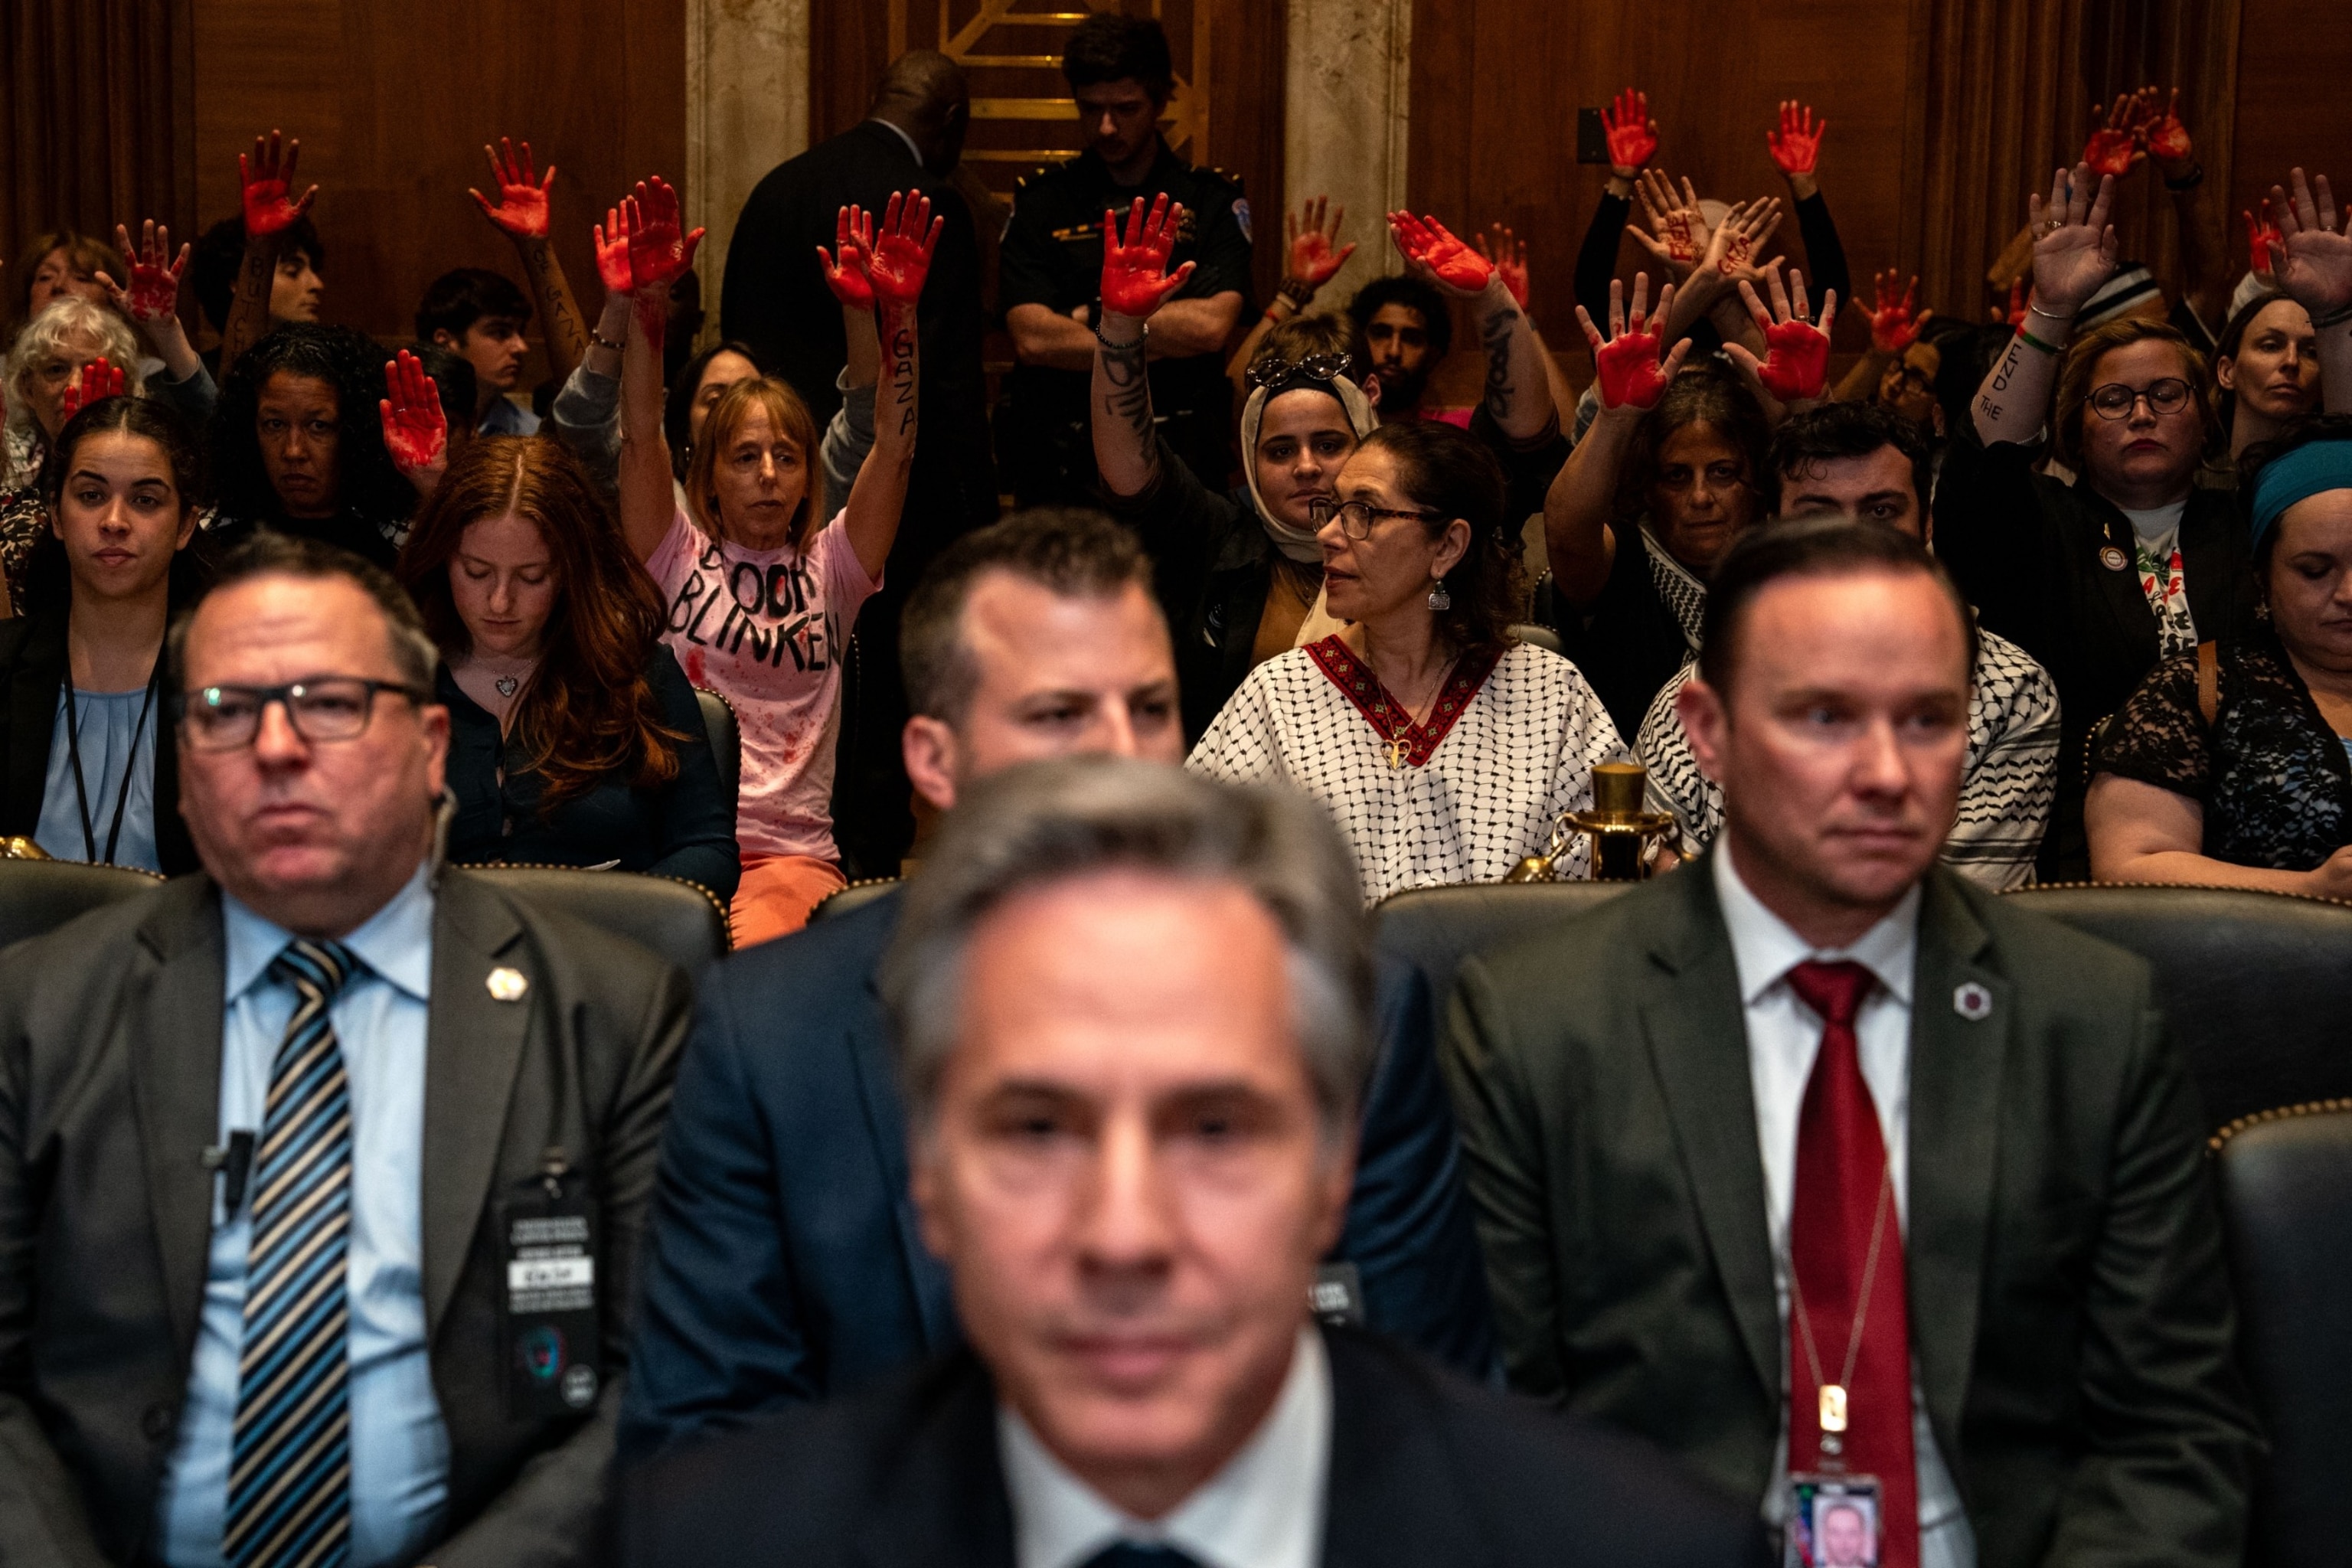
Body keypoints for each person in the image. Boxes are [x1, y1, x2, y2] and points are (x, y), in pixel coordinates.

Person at [622, 756, 1766, 1566]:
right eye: (1038, 1130)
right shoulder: (708, 1544)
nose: (1127, 1233)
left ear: (1333, 1169)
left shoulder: (1633, 1548)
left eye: (1215, 1130)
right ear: (931, 1173)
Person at [1445, 515, 2257, 1566]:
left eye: (1927, 721)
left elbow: (2174, 1435)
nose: (1886, 772)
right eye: (1825, 718)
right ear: (1707, 731)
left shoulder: (2090, 1017)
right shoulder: (1538, 1023)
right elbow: (1493, 1434)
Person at [621, 508, 1498, 1460]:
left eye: (1151, 709)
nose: (1123, 755)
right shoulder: (770, 1037)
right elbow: (704, 1449)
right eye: (1060, 715)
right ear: (936, 761)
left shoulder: (1353, 1009)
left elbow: (1433, 1422)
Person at [0, 533, 691, 1566]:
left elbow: (658, 1385)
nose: (277, 748)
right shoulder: (37, 1009)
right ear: (184, 770)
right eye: (225, 712)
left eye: (330, 703)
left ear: (424, 748)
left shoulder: (614, 1015)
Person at [1095, 198, 1559, 740]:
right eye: (1280, 451)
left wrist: (1492, 302)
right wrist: (1121, 328)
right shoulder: (1216, 540)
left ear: (1368, 417)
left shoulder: (1427, 526)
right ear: (1249, 453)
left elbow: (1522, 436)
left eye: (1330, 443)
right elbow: (1130, 467)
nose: (1307, 467)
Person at [616, 177, 931, 942]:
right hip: (676, 840)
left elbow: (895, 443)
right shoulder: (672, 549)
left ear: (806, 478)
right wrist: (648, 302)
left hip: (791, 856)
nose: (766, 474)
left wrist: (901, 316)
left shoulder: (837, 566)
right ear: (710, 476)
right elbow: (639, 434)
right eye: (745, 455)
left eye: (786, 456)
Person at [1942, 164, 2262, 878]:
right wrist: (2049, 313)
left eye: (2166, 394)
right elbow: (1984, 466)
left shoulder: (2250, 521)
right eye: (2112, 400)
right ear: (2072, 431)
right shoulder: (2047, 525)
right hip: (2079, 849)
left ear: (2206, 417)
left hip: (2256, 844)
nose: (2142, 413)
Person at [1189, 420, 1624, 901]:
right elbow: (1188, 869)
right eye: (1332, 510)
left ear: (1447, 546)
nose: (1329, 535)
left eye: (1364, 512)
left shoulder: (1549, 693)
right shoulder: (1279, 694)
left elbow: (1609, 894)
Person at [1637, 403, 2060, 889]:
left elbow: (1947, 905)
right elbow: (1657, 882)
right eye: (1818, 514)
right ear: (1773, 527)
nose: (1851, 539)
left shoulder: (2012, 692)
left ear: (1926, 525)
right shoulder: (1704, 687)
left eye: (1880, 511)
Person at [394, 434, 739, 895]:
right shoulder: (398, 680)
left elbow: (709, 850)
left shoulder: (634, 674)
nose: (500, 601)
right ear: (443, 561)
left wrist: (612, 908)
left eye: (532, 576)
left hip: (602, 947)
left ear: (571, 571)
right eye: (476, 572)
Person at [2088, 417, 2352, 892]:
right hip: (2261, 957)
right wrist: (2311, 889)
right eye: (2315, 571)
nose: (2349, 593)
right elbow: (2130, 867)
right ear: (2262, 578)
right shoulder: (2198, 688)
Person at [998, 13, 1250, 505]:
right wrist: (1145, 332)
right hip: (1063, 465)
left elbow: (1210, 327)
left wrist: (1091, 318)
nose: (1106, 127)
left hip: (1182, 461)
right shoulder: (1043, 200)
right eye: (1090, 109)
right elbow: (1033, 338)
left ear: (1159, 103)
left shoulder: (1210, 198)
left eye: (1126, 108)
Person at [1541, 276, 1777, 737]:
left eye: (1723, 472)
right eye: (1677, 476)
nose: (1701, 497)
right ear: (1649, 486)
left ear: (1756, 482)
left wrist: (1725, 301)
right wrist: (1615, 419)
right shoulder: (1625, 560)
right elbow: (1567, 532)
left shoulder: (1786, 560)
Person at [0, 397, 209, 872]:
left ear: (186, 525)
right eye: (91, 496)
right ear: (55, 514)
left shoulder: (232, 682)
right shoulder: (6, 664)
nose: (114, 521)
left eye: (145, 500)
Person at [207, 322, 417, 570]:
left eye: (319, 426)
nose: (293, 451)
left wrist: (430, 480)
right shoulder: (212, 543)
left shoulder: (400, 545)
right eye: (275, 424)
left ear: (356, 430)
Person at [4, 294, 142, 492]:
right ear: (28, 389)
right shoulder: (6, 461)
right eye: (56, 370)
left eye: (93, 370)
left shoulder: (155, 462)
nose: (75, 386)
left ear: (125, 388)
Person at [414, 268, 542, 436]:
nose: (521, 346)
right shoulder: (400, 429)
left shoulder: (532, 433)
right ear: (445, 341)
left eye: (521, 332)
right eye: (500, 332)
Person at [1348, 271, 1461, 424]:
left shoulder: (1454, 432)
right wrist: (1303, 290)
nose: (1394, 352)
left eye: (1411, 340)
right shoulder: (1333, 427)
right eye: (1380, 334)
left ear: (1432, 355)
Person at [5, 230, 126, 338]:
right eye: (45, 277)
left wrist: (144, 324)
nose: (58, 285)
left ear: (112, 303)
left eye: (81, 278)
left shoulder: (138, 364)